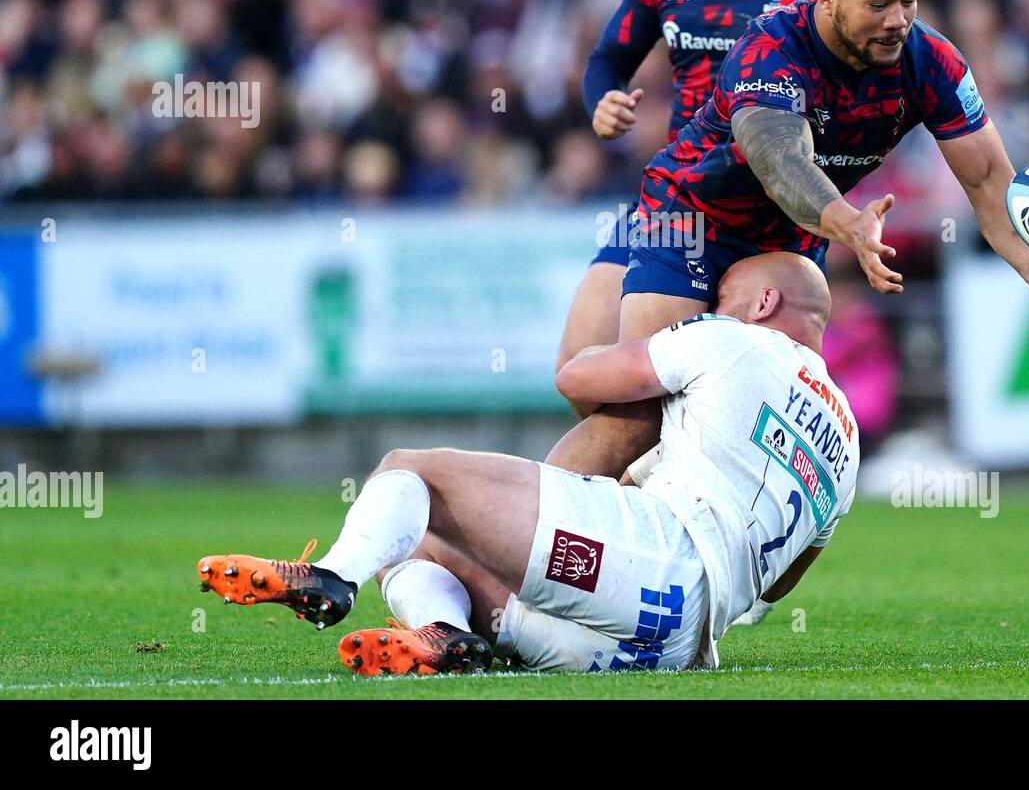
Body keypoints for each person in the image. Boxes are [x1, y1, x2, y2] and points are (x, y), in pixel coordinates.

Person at [544, 0, 1029, 484]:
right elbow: (780, 162)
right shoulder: (770, 48)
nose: (898, 20)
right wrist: (847, 223)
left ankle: (684, 542)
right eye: (877, 4)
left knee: (762, 424)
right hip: (691, 218)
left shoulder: (933, 63)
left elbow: (990, 180)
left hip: (790, 242)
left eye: (908, 0)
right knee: (639, 415)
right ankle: (526, 549)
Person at [196, 253, 858, 674]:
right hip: (676, 647)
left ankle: (333, 577)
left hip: (650, 553)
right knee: (411, 541)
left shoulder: (732, 341)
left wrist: (668, 337)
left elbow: (578, 378)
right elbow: (777, 587)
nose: (714, 306)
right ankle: (450, 639)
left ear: (763, 304)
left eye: (724, 296)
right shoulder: (848, 442)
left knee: (409, 472)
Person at [557, 0, 824, 402]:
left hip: (772, 211)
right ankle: (637, 493)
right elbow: (608, 58)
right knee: (581, 373)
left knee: (736, 394)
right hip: (677, 194)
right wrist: (603, 101)